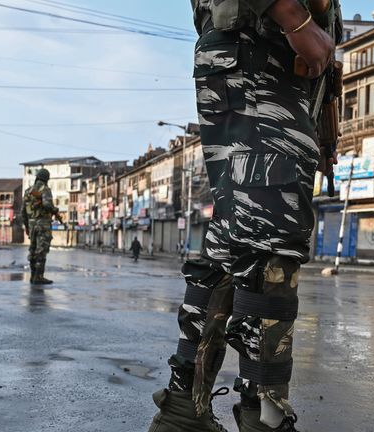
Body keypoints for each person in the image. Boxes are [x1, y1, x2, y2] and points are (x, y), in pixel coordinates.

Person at [147, 1, 340, 431]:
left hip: (264, 62)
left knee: (234, 239)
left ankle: (184, 406)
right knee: (273, 236)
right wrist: (295, 15)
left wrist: (323, 132)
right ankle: (264, 418)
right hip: (260, 53)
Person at [21, 168, 59, 285]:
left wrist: (27, 226)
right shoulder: (45, 189)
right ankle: (39, 276)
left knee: (33, 250)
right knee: (41, 250)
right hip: (43, 224)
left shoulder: (28, 191)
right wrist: (54, 210)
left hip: (32, 224)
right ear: (46, 179)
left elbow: (23, 211)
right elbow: (47, 205)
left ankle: (33, 276)